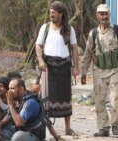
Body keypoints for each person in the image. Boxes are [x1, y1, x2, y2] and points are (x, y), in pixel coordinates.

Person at [81, 4, 118, 137]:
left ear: (109, 14)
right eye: (101, 14)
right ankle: (103, 128)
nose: (104, 16)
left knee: (115, 98)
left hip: (114, 70)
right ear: (97, 16)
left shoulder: (117, 30)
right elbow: (88, 53)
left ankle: (115, 126)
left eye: (106, 14)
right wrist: (83, 72)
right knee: (99, 99)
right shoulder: (93, 33)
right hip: (99, 70)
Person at [35, 1, 80, 135]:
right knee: (46, 97)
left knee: (65, 96)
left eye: (54, 13)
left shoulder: (69, 29)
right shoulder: (45, 28)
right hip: (48, 67)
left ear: (61, 14)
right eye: (50, 13)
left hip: (64, 67)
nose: (51, 15)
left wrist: (76, 67)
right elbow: (38, 46)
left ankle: (67, 128)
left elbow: (74, 48)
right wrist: (40, 60)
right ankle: (48, 129)